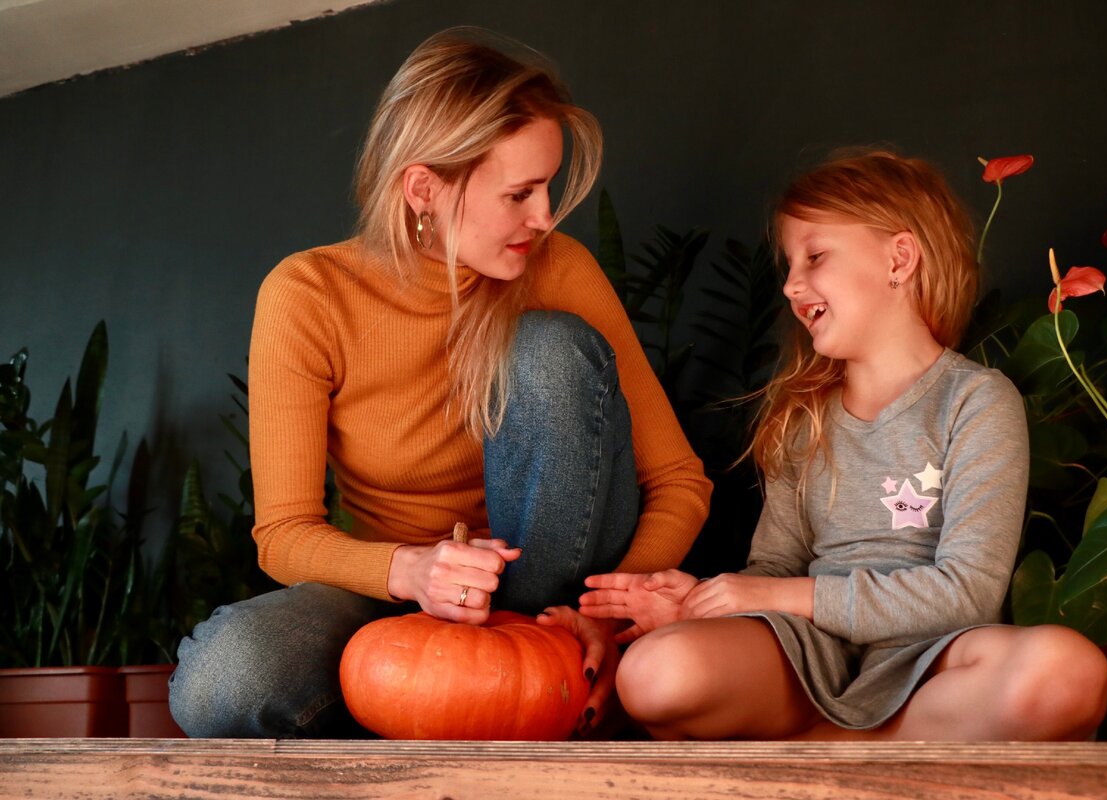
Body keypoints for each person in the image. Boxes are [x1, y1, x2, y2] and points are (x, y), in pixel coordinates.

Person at [169, 28, 711, 739]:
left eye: (547, 186)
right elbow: (284, 535)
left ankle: (537, 677)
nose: (545, 216)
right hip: (404, 594)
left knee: (546, 348)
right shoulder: (308, 294)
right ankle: (429, 705)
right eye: (519, 193)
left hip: (556, 607)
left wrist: (605, 616)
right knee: (223, 679)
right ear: (424, 188)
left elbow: (678, 480)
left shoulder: (559, 268)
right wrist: (415, 572)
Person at [579, 151, 1107, 741]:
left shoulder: (976, 400)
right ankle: (882, 748)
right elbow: (773, 570)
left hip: (935, 658)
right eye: (788, 265)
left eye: (815, 256)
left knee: (1069, 672)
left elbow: (968, 594)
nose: (790, 285)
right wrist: (704, 603)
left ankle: (823, 746)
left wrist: (780, 594)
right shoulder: (801, 417)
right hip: (810, 655)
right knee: (655, 673)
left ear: (899, 258)